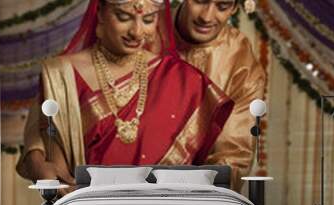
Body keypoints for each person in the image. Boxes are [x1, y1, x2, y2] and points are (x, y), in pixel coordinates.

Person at [16, 0, 234, 190]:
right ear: (99, 12)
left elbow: (217, 164)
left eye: (148, 20)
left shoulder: (185, 81)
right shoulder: (61, 75)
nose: (137, 32)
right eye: (124, 17)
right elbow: (41, 144)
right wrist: (42, 168)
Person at [172, 0, 266, 191]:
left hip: (199, 201)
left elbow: (232, 154)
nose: (206, 17)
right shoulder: (142, 34)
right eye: (199, 1)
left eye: (222, 6)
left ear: (235, 8)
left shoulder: (240, 62)